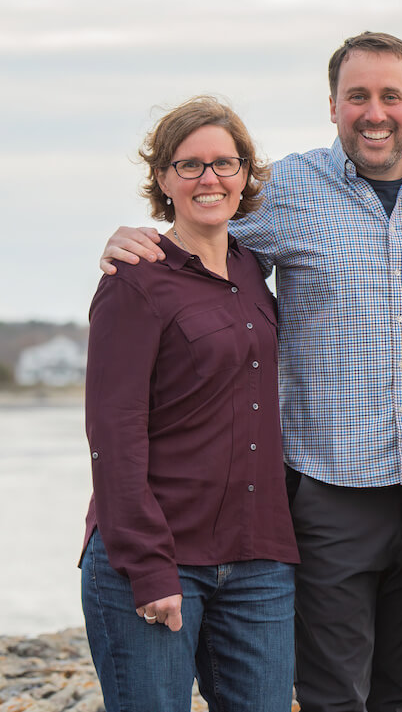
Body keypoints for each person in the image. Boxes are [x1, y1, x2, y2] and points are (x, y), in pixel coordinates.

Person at [99, 33, 402, 712]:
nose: (375, 112)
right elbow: (200, 242)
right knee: (334, 693)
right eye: (357, 96)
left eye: (390, 96)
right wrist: (133, 239)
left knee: (397, 691)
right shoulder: (284, 190)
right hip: (329, 490)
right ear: (334, 107)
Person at [81, 96, 298, 712]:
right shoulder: (135, 281)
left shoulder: (254, 269)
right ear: (164, 178)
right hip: (159, 556)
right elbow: (114, 432)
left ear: (245, 174)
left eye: (225, 164)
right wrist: (148, 566)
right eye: (190, 165)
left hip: (259, 561)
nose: (210, 179)